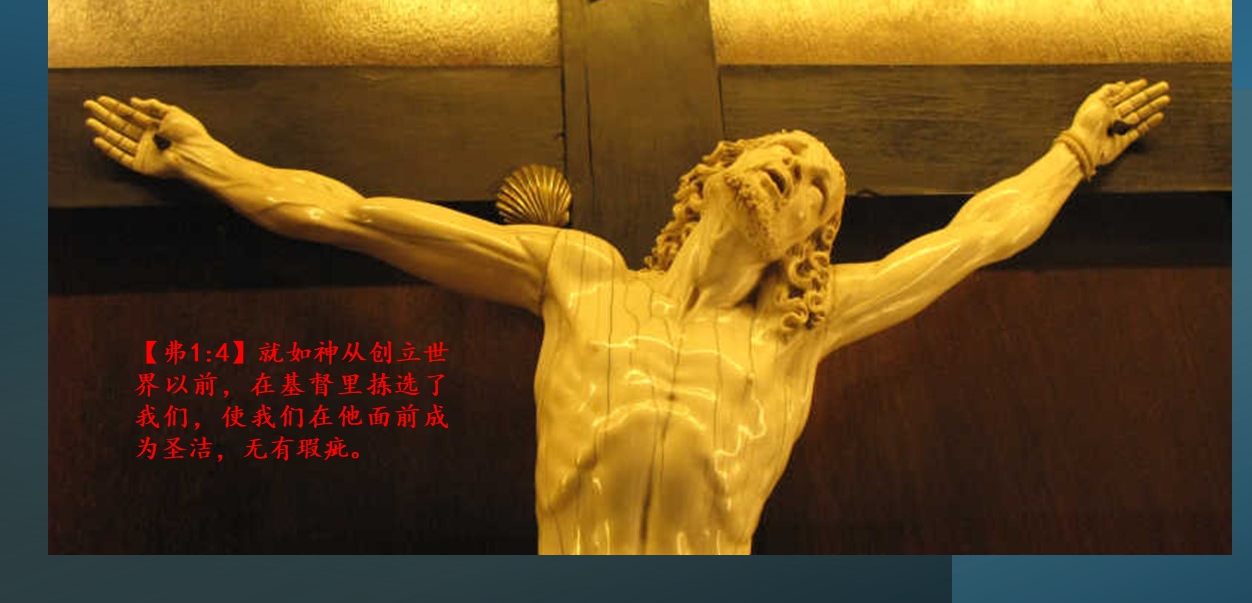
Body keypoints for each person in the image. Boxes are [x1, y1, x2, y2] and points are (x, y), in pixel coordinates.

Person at [83, 79, 1169, 554]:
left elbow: (973, 237)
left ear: (808, 241)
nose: (798, 171)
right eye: (785, 152)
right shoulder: (579, 277)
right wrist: (209, 160)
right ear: (714, 171)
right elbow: (360, 217)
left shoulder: (802, 324)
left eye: (819, 189)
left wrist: (1073, 149)